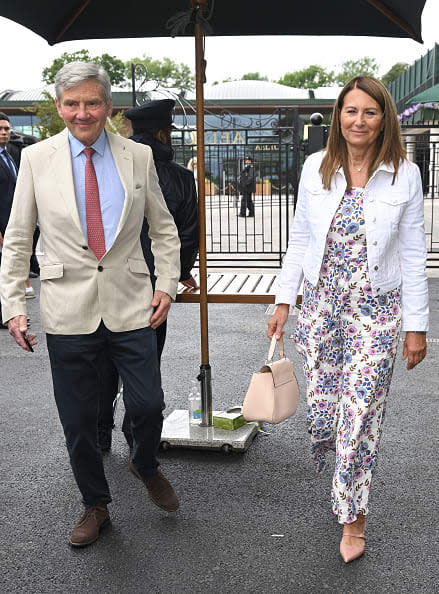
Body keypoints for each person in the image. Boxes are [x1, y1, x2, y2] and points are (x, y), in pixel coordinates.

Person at [0, 62, 181, 548]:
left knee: (148, 404)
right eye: (72, 103)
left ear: (108, 107)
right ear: (59, 107)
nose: (83, 112)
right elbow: (18, 239)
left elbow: (163, 229)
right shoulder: (36, 159)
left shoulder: (137, 155)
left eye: (92, 102)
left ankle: (144, 463)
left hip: (132, 302)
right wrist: (13, 306)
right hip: (67, 308)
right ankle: (95, 505)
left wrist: (167, 283)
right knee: (79, 421)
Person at [268, 76, 428, 563]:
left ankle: (352, 517)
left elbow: (415, 254)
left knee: (359, 414)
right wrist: (283, 301)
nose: (359, 121)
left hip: (377, 314)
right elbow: (299, 237)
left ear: (385, 120)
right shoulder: (317, 166)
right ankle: (339, 467)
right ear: (338, 115)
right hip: (322, 310)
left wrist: (416, 326)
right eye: (351, 111)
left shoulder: (406, 174)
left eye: (370, 112)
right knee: (327, 410)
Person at [97, 98, 199, 450]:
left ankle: (99, 432)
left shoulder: (110, 169)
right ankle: (136, 434)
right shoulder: (182, 177)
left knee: (105, 357)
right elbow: (185, 234)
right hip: (156, 284)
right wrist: (180, 272)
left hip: (112, 278)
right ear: (162, 134)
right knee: (145, 361)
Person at [0, 113, 35, 299]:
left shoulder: (9, 155)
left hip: (12, 218)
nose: (4, 132)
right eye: (0, 129)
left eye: (6, 129)